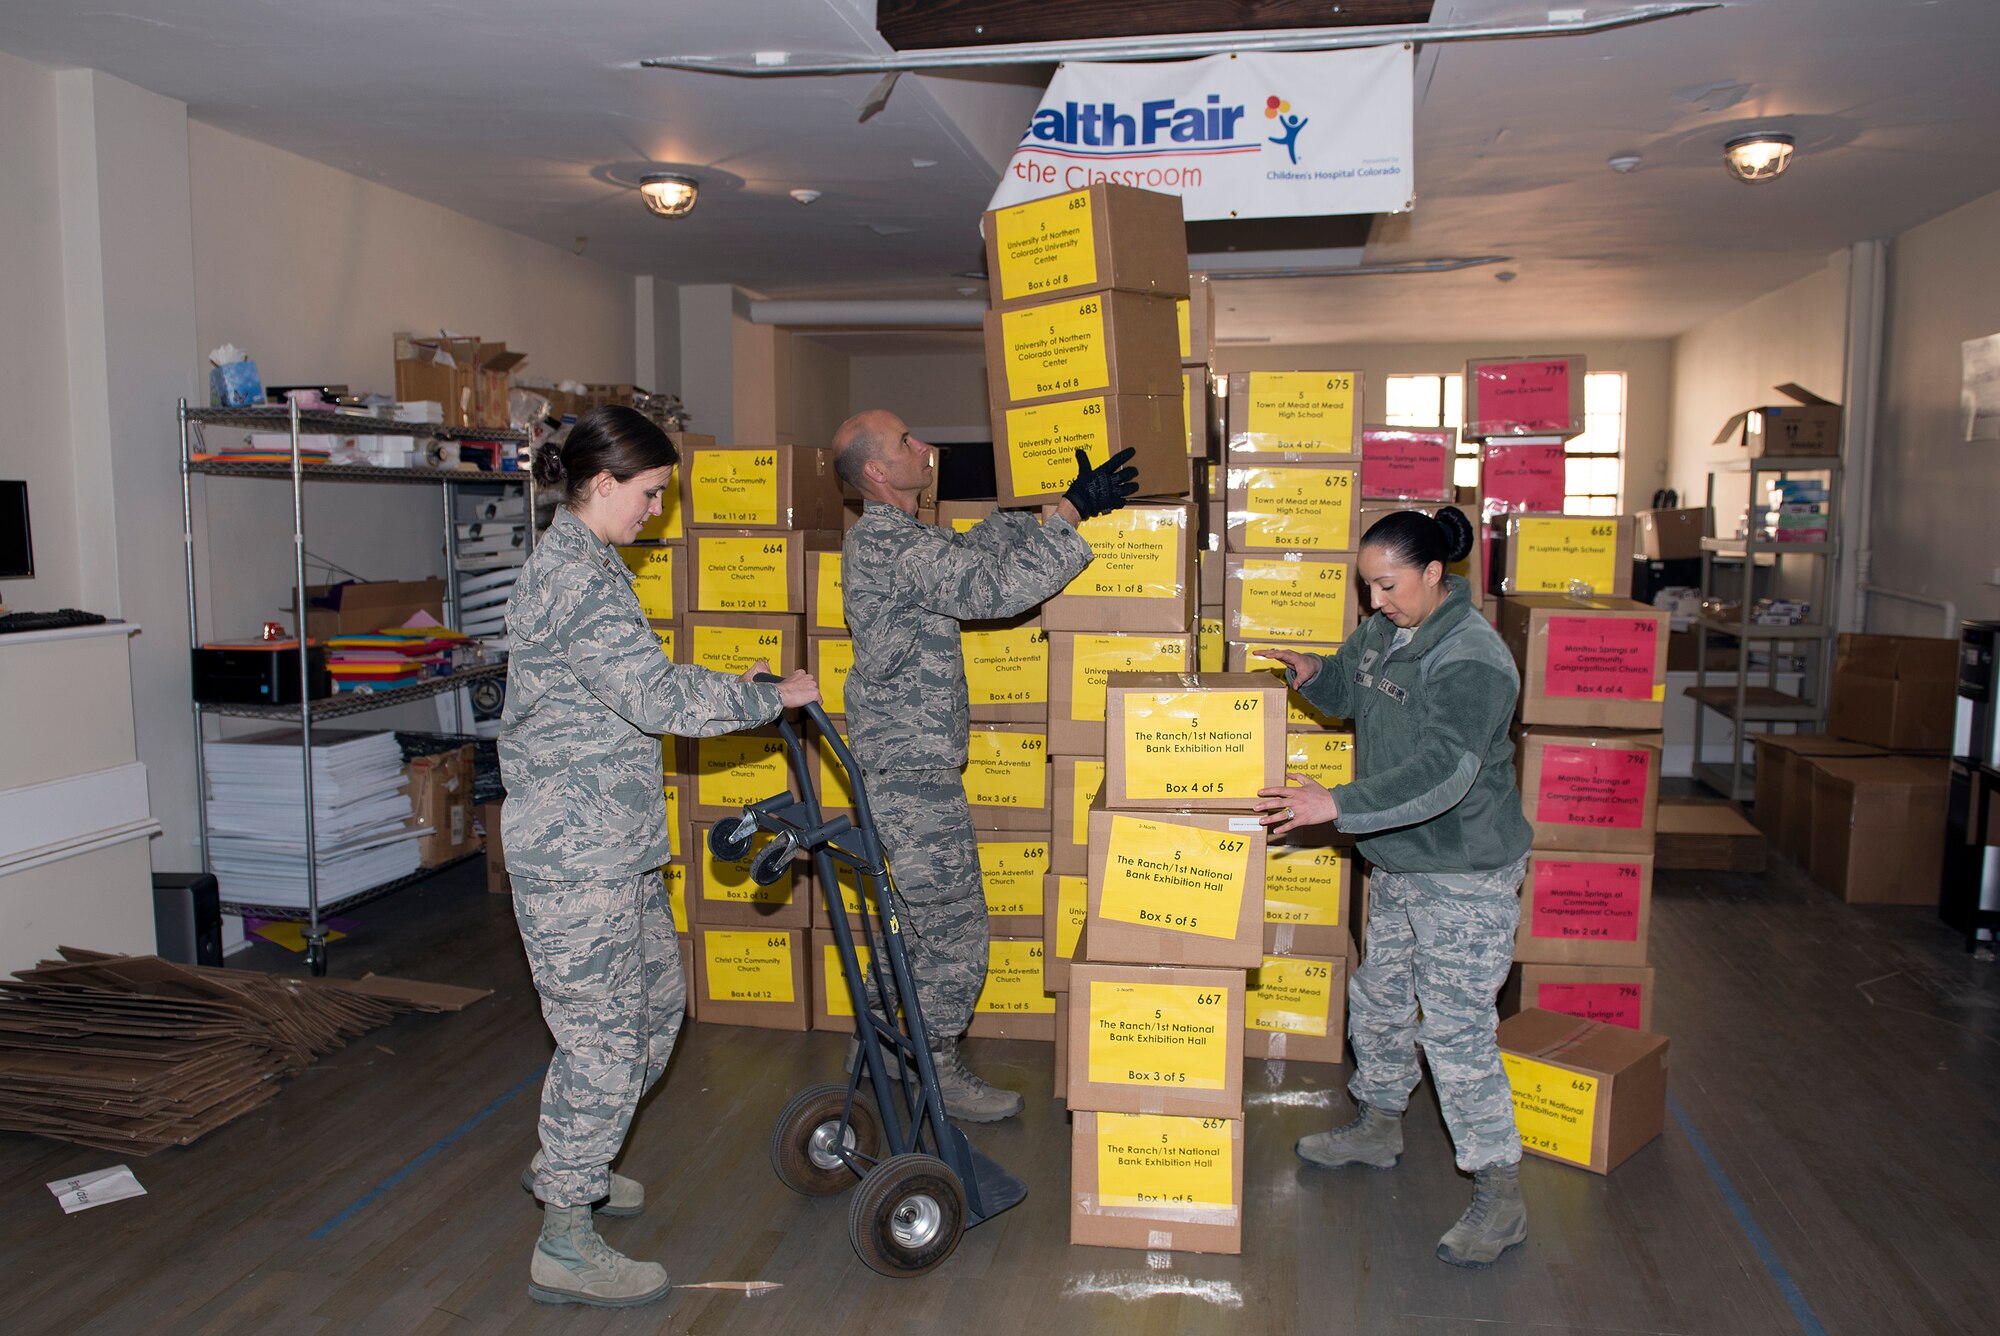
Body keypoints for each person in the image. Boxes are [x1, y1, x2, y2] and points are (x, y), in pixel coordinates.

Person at [500, 406, 819, 1309]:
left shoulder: (593, 563)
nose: (656, 512)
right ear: (602, 486)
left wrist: (739, 688)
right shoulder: (576, 578)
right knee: (603, 1046)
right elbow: (649, 695)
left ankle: (575, 1154)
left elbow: (619, 683)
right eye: (648, 496)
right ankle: (564, 1234)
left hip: (613, 844)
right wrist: (767, 700)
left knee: (653, 1016)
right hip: (575, 859)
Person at [1251, 507, 1535, 1269]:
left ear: (1434, 573)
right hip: (1402, 859)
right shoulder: (1390, 629)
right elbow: (1350, 685)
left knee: (1455, 1028)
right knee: (1378, 999)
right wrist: (1316, 673)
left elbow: (1445, 773)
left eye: (1388, 585)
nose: (1376, 601)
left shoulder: (1473, 658)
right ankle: (1379, 1126)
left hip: (1464, 871)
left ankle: (1500, 1193)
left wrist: (1337, 804)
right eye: (1369, 587)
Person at [834, 409, 1137, 1120]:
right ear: (877, 471)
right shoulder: (884, 544)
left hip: (907, 770)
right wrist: (1068, 514)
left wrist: (1034, 505)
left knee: (911, 920)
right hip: (910, 776)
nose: (926, 445)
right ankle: (929, 1067)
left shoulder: (903, 539)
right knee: (952, 928)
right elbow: (989, 591)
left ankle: (878, 1054)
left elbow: (969, 556)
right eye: (908, 441)